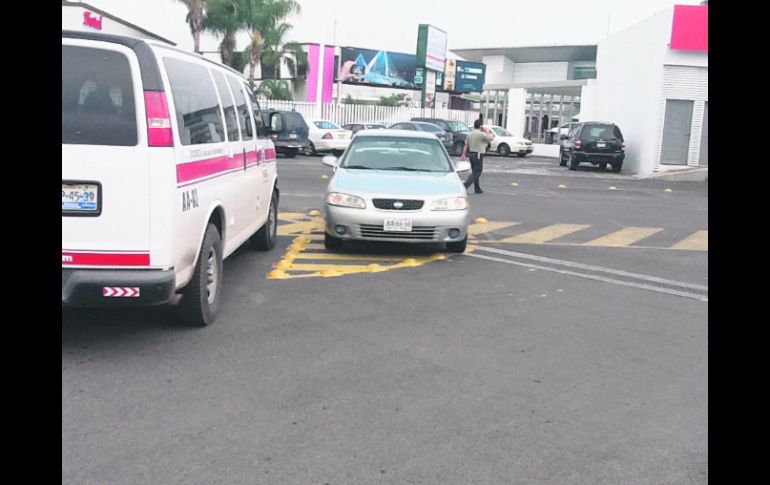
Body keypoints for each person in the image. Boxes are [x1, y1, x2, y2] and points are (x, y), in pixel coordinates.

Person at [460, 119, 494, 194]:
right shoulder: (480, 134)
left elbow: (466, 145)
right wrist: (487, 131)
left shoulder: (470, 134)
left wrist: (463, 154)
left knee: (474, 171)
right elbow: (491, 138)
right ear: (480, 126)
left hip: (471, 154)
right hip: (478, 154)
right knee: (478, 171)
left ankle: (477, 188)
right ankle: (465, 186)